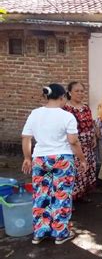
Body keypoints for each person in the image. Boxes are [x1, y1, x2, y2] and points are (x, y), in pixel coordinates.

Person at [22, 83, 87, 245]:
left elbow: (26, 138)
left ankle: (40, 232)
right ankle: (60, 233)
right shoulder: (66, 116)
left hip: (39, 158)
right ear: (62, 97)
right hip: (62, 159)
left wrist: (27, 158)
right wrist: (82, 159)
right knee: (61, 194)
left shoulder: (35, 114)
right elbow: (73, 141)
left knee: (41, 194)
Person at [63, 81, 97, 202]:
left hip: (88, 145)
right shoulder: (66, 109)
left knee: (86, 170)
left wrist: (93, 137)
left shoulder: (86, 108)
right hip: (74, 145)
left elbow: (91, 124)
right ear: (69, 93)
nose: (80, 93)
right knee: (75, 171)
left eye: (82, 91)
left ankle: (82, 194)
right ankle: (71, 199)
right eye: (76, 91)